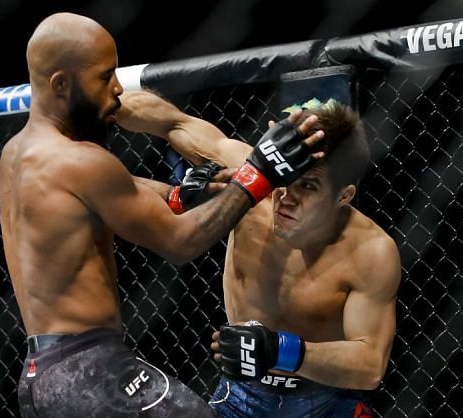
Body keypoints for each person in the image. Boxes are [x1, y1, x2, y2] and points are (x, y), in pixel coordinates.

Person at [0, 13, 325, 417]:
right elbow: (179, 242)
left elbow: (123, 192)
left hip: (41, 377)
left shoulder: (17, 154)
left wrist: (179, 193)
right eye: (104, 77)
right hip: (90, 371)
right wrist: (259, 173)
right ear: (61, 84)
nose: (117, 89)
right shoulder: (82, 161)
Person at [118, 90, 400, 417]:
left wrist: (280, 351)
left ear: (344, 196)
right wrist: (69, 104)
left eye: (308, 186)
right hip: (242, 394)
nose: (285, 197)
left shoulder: (370, 252)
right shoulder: (251, 176)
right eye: (285, 178)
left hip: (324, 399)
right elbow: (168, 120)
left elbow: (370, 366)